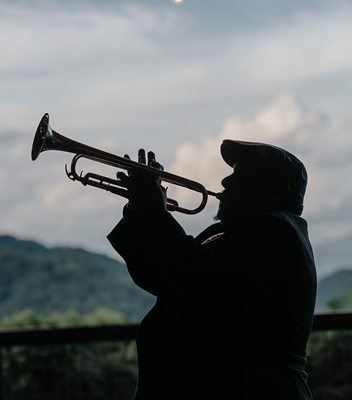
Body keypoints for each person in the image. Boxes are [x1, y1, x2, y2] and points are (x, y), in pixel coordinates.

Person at [107, 139, 317, 400]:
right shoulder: (225, 234)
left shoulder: (279, 233)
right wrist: (137, 210)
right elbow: (160, 275)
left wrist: (154, 211)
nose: (225, 183)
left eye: (241, 175)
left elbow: (196, 279)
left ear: (277, 191)